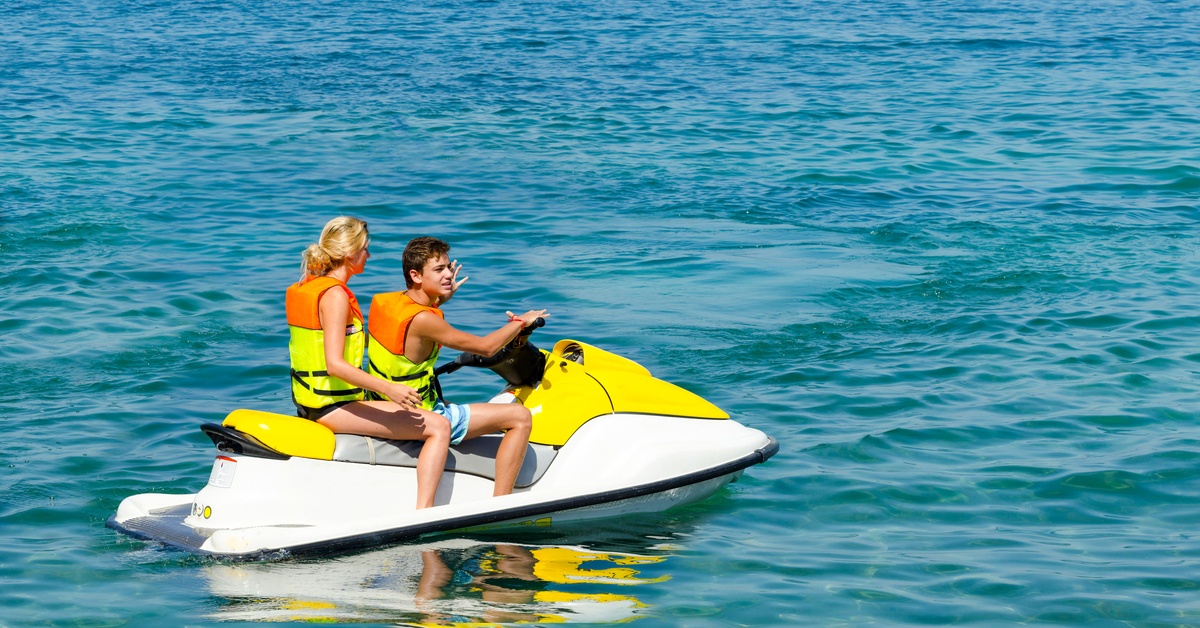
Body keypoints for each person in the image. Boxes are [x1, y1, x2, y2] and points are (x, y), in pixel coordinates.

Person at [286, 217, 450, 509]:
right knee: (438, 426)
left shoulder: (310, 286)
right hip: (332, 407)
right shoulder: (335, 295)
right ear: (350, 255)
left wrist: (435, 303)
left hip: (314, 401)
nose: (369, 256)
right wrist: (390, 388)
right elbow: (335, 365)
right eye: (365, 249)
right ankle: (424, 512)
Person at [365, 236, 545, 497]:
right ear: (415, 276)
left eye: (448, 267)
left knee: (457, 403)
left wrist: (438, 300)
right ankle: (501, 501)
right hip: (420, 412)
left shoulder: (388, 303)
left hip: (385, 403)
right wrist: (521, 322)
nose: (449, 274)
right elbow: (485, 347)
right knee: (519, 417)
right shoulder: (426, 320)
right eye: (439, 270)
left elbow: (412, 334)